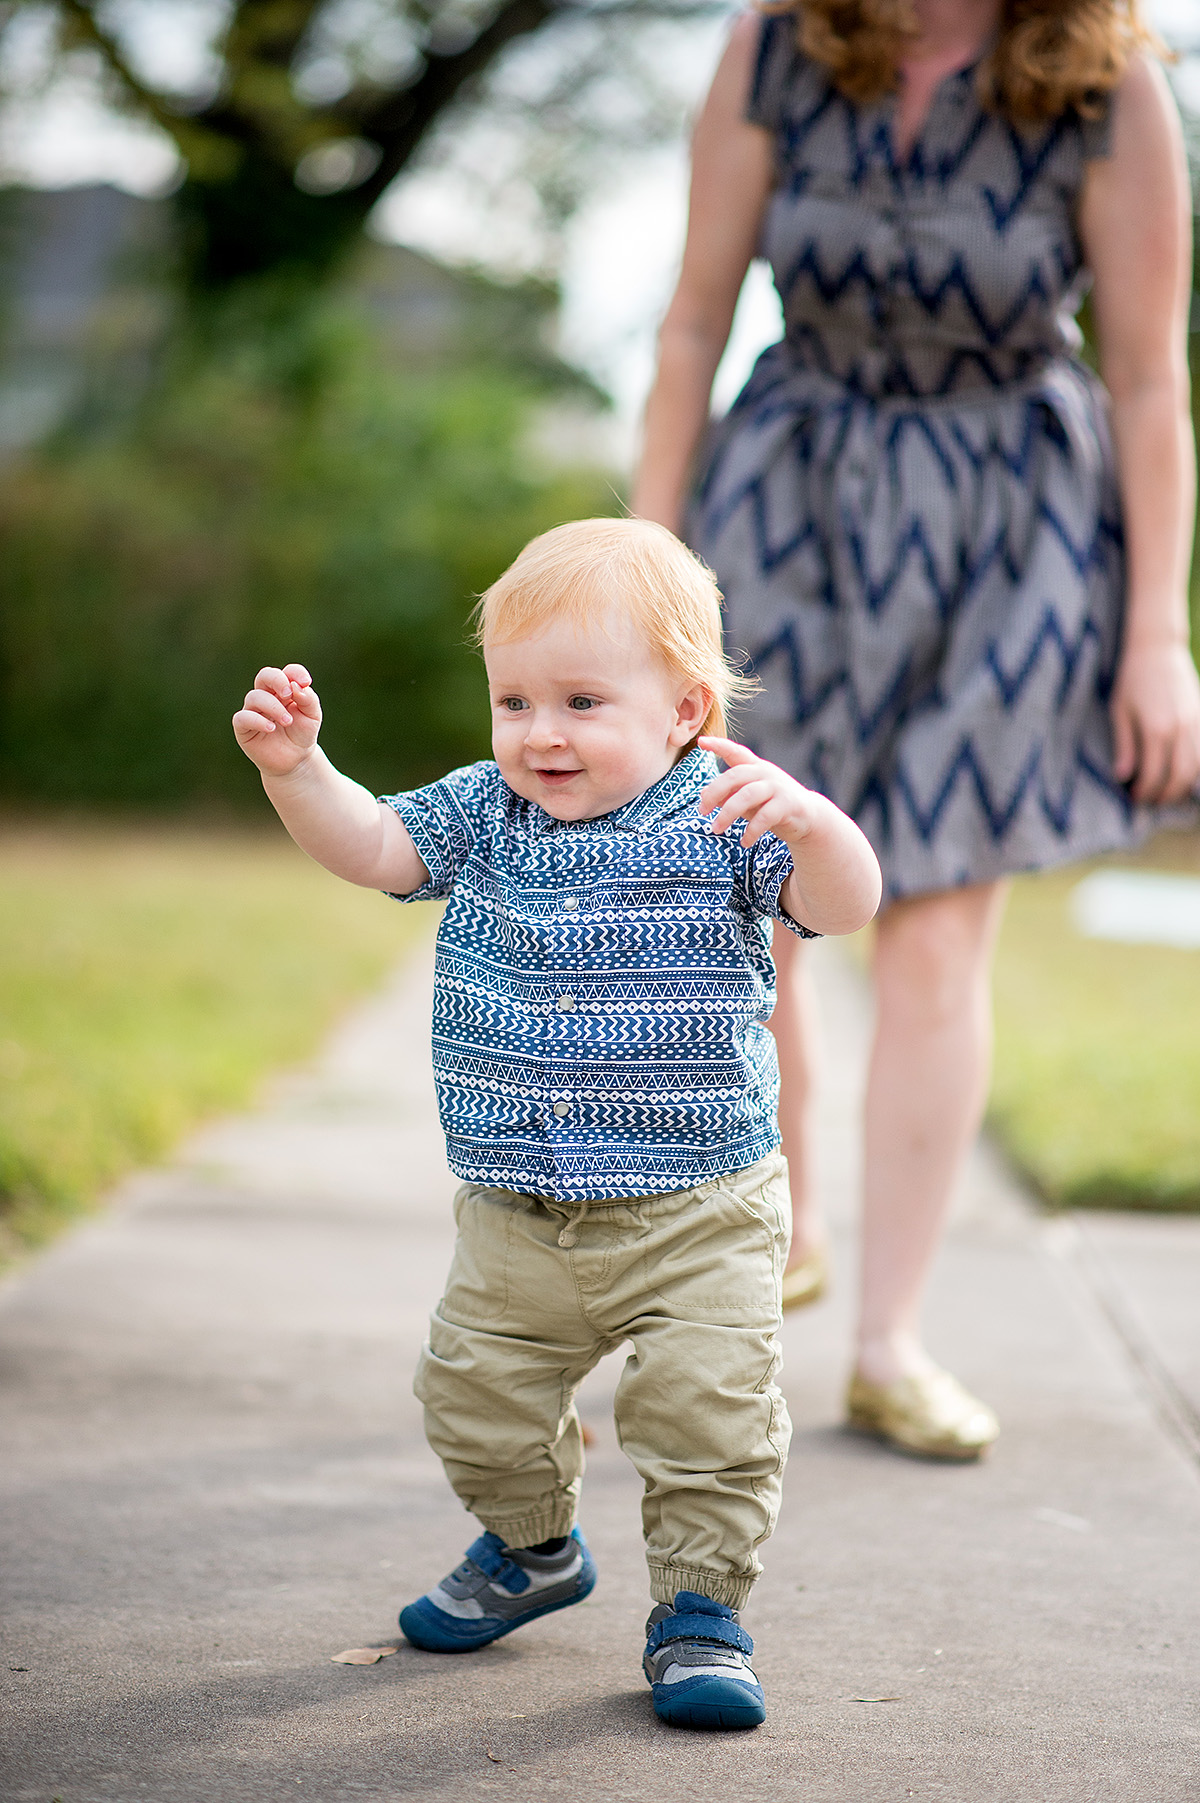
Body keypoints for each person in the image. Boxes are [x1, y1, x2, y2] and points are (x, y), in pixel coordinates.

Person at [632, 0, 1200, 1460]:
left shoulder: (1106, 85)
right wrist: (643, 561)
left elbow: (1147, 375)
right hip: (785, 503)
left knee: (937, 930)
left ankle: (888, 1341)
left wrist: (1155, 632)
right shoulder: (772, 49)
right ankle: (782, 1228)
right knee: (740, 899)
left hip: (1012, 539)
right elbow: (695, 313)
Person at [232, 516, 880, 1729]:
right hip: (518, 1208)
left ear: (686, 711)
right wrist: (298, 774)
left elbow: (840, 907)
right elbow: (376, 846)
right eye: (515, 700)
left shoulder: (732, 817)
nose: (541, 733)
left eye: (582, 701)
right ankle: (531, 1549)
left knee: (709, 1415)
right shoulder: (485, 810)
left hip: (701, 1202)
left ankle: (700, 1614)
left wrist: (816, 826)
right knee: (469, 1397)